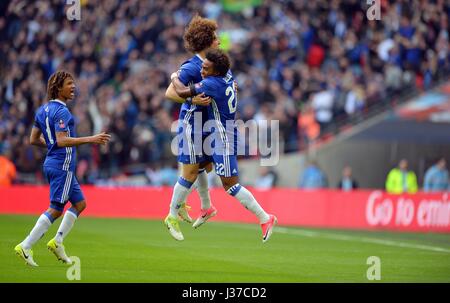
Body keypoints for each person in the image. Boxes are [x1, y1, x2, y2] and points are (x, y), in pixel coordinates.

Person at [170, 49, 277, 243]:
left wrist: (174, 77)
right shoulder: (226, 77)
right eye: (202, 66)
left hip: (223, 138)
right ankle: (206, 207)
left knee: (231, 185)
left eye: (206, 68)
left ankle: (264, 217)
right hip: (216, 134)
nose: (202, 70)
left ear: (215, 70)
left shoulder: (212, 84)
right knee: (200, 166)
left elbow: (180, 92)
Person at [14, 71, 111, 266]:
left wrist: (50, 144)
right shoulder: (63, 112)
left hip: (53, 163)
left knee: (80, 204)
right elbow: (61, 140)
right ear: (58, 88)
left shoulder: (42, 110)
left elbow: (33, 139)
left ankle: (57, 241)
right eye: (69, 83)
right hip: (62, 165)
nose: (73, 86)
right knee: (56, 209)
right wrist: (90, 139)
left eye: (73, 83)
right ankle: (26, 245)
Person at [163, 15, 220, 237]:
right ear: (206, 41)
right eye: (215, 38)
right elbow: (169, 92)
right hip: (191, 126)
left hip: (205, 125)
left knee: (204, 167)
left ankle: (205, 206)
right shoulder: (192, 66)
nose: (219, 41)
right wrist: (191, 99)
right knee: (190, 171)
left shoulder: (212, 64)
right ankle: (171, 215)